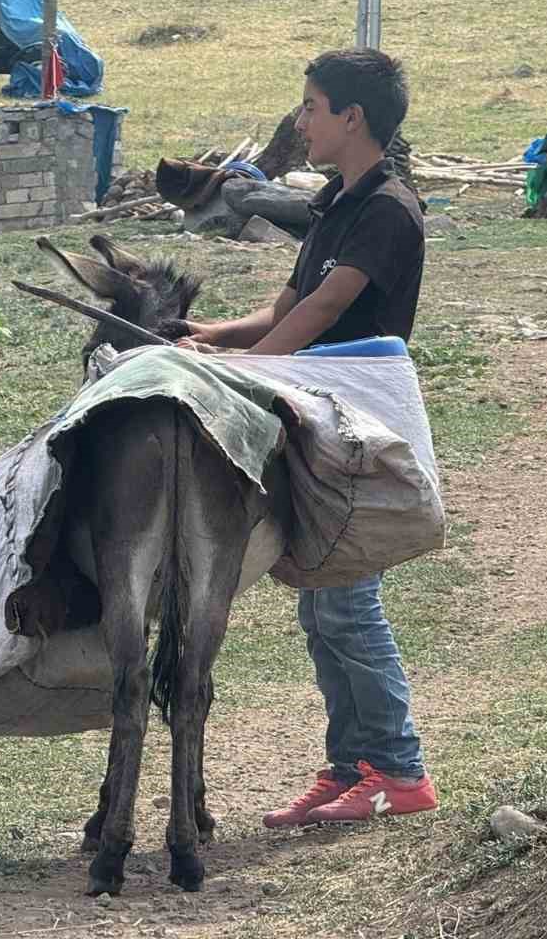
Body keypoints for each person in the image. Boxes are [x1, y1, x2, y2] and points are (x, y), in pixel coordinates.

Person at [179, 48, 439, 825]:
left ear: (351, 118)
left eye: (311, 107)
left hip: (358, 428)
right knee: (322, 606)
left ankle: (399, 771)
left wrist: (244, 371)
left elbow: (323, 313)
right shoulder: (336, 202)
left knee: (349, 604)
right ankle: (349, 766)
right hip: (317, 417)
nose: (301, 121)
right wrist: (208, 337)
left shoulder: (389, 210)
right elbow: (287, 303)